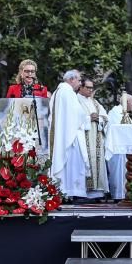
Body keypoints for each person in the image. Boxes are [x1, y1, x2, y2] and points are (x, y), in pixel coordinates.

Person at [49, 70, 93, 199]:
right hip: (71, 136)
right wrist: (86, 118)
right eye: (79, 80)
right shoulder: (68, 92)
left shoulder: (58, 92)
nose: (80, 84)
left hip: (63, 134)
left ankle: (65, 192)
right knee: (74, 164)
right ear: (71, 79)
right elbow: (77, 114)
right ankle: (73, 192)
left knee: (67, 165)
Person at [77, 77, 109, 195]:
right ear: (81, 87)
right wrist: (88, 118)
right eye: (88, 87)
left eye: (92, 88)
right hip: (82, 138)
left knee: (98, 163)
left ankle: (98, 192)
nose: (91, 90)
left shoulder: (95, 102)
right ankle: (83, 192)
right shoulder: (75, 101)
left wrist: (98, 119)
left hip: (97, 138)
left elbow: (105, 117)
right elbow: (73, 119)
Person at [106, 93, 132, 200]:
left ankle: (124, 194)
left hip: (124, 150)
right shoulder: (116, 112)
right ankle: (118, 195)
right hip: (117, 150)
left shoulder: (124, 114)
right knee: (118, 173)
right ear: (126, 102)